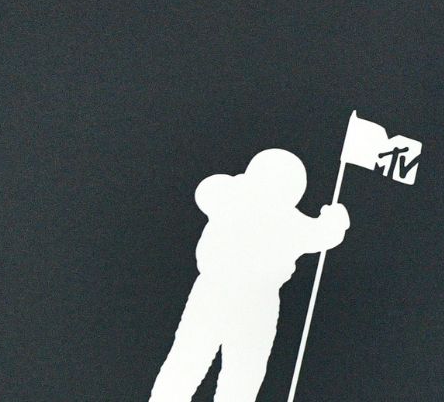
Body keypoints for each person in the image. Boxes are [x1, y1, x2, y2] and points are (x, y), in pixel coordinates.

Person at [148, 148, 349, 402]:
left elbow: (324, 234)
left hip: (243, 299)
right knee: (213, 371)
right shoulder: (246, 203)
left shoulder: (241, 201)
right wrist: (335, 219)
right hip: (228, 296)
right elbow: (324, 234)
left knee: (220, 373)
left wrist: (335, 221)